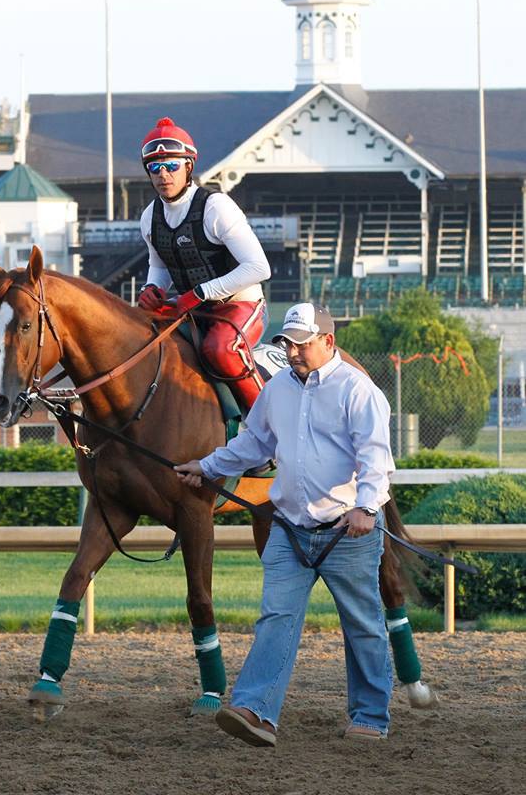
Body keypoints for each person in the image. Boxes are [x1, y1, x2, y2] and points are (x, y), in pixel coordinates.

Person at [174, 301, 394, 747]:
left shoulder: (358, 390)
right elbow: (253, 443)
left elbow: (375, 458)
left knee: (364, 624)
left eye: (301, 344)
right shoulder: (277, 390)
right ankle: (256, 711)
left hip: (346, 531)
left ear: (327, 341)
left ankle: (370, 716)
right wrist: (208, 466)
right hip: (289, 531)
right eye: (286, 344)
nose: (292, 352)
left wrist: (367, 508)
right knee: (275, 618)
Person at [137, 116, 271, 411]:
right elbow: (160, 268)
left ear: (189, 166)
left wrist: (200, 293)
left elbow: (260, 267)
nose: (163, 175)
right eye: (155, 168)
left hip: (240, 305)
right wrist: (151, 288)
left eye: (171, 166)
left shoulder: (217, 207)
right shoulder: (149, 217)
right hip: (192, 309)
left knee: (220, 350)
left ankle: (271, 426)